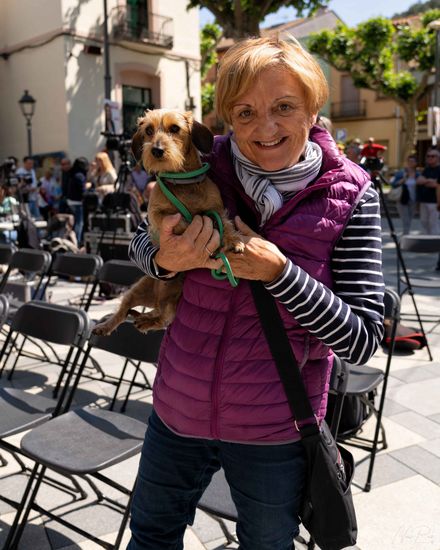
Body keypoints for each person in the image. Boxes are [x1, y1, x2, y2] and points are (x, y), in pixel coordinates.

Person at [127, 37, 385, 550]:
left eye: (284, 107)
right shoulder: (202, 162)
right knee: (151, 537)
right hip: (176, 410)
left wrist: (280, 274)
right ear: (225, 119)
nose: (265, 129)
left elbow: (363, 340)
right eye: (245, 112)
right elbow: (141, 243)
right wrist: (163, 258)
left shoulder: (351, 195)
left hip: (275, 429)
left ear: (313, 109)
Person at [390, 154, 421, 235]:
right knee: (405, 220)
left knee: (409, 220)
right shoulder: (401, 173)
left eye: (412, 161)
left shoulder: (418, 174)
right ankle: (405, 237)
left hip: (413, 200)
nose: (410, 163)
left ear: (416, 163)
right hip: (402, 199)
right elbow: (393, 184)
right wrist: (403, 179)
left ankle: (405, 236)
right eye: (409, 161)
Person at [416, 148, 440, 235]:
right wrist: (430, 181)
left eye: (432, 156)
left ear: (438, 158)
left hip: (435, 202)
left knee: (433, 223)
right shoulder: (426, 169)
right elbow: (418, 181)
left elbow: (436, 185)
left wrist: (426, 181)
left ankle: (434, 243)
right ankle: (426, 242)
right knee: (424, 222)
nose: (430, 158)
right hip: (424, 200)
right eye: (428, 156)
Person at [66, 157, 89, 244]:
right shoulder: (80, 175)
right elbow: (82, 190)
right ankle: (77, 241)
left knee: (74, 222)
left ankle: (73, 239)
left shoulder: (73, 173)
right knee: (79, 223)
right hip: (77, 202)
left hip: (71, 201)